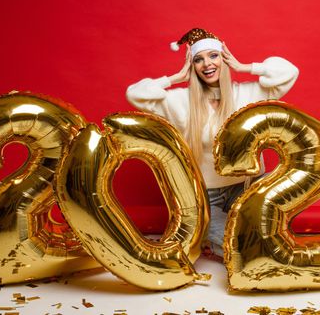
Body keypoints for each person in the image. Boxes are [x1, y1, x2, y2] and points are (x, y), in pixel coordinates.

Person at [126, 28, 299, 257]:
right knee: (238, 244)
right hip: (208, 198)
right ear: (193, 66)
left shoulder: (249, 94)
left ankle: (216, 242)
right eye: (199, 59)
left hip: (247, 188)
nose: (207, 64)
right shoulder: (181, 102)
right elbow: (135, 94)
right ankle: (218, 238)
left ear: (223, 58)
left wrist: (244, 67)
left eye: (213, 56)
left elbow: (289, 72)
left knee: (284, 192)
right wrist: (176, 78)